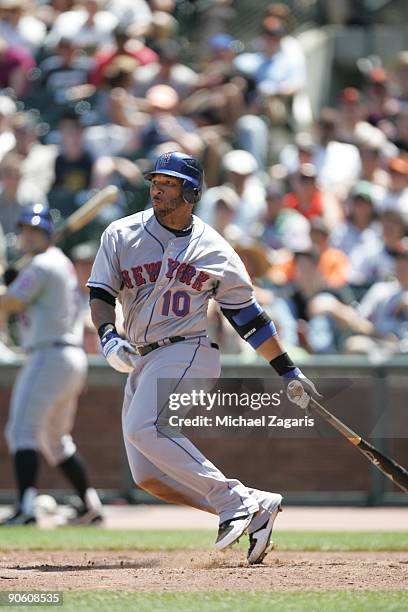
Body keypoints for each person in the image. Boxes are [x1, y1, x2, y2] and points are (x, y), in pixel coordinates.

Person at [87, 151, 320, 564]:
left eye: (170, 182)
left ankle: (232, 503)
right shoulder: (121, 234)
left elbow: (249, 320)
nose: (157, 187)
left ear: (191, 191)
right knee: (148, 475)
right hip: (140, 356)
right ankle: (253, 503)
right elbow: (101, 293)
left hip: (187, 349)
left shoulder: (214, 249)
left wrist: (289, 371)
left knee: (146, 427)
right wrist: (107, 336)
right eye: (155, 180)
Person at [0, 204, 103, 525]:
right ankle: (90, 505)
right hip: (67, 356)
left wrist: (5, 282)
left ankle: (26, 507)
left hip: (49, 355)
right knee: (56, 441)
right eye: (24, 231)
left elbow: (9, 302)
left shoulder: (44, 264)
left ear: (46, 234)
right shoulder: (51, 263)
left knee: (21, 431)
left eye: (35, 231)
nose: (27, 236)